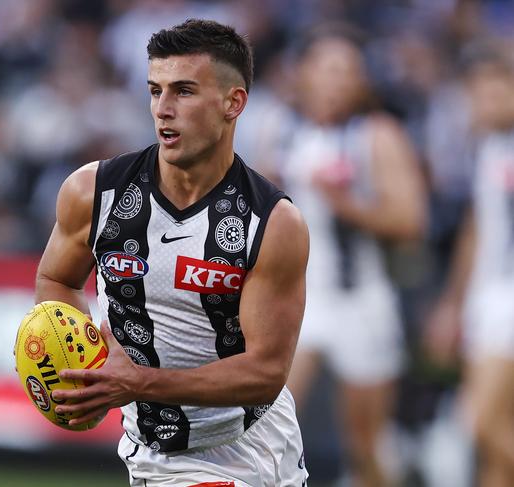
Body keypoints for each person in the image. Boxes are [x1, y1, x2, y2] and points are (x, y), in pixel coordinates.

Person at [32, 19, 310, 487]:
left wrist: (137, 382)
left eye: (183, 91)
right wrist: (86, 353)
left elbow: (266, 372)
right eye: (155, 90)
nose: (163, 109)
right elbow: (57, 280)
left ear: (233, 103)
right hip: (147, 449)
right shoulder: (93, 192)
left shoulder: (272, 222)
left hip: (250, 449)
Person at [264, 25, 426, 487]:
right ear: (305, 74)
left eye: (348, 71)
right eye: (329, 68)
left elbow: (410, 219)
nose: (338, 80)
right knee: (267, 425)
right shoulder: (283, 129)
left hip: (361, 300)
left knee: (365, 446)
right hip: (300, 299)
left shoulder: (376, 135)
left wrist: (345, 203)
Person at [424, 47, 514, 487]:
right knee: (492, 433)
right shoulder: (489, 147)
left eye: (497, 90)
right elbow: (478, 228)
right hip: (489, 299)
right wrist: (454, 303)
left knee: (479, 423)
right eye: (477, 93)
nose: (485, 101)